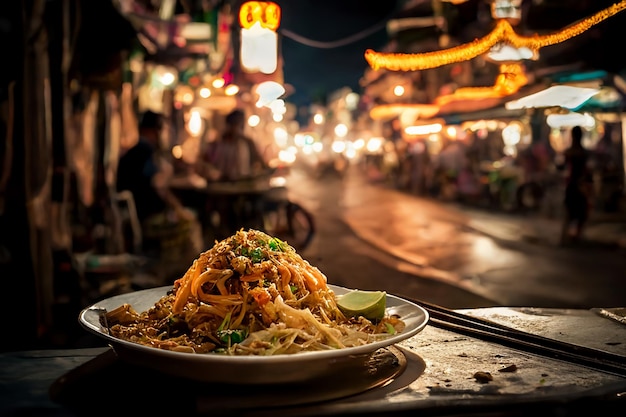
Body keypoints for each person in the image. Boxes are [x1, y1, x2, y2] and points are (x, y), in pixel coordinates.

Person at [116, 110, 197, 256]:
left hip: (136, 211)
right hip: (147, 214)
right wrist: (178, 209)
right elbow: (158, 185)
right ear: (154, 130)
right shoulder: (144, 150)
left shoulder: (135, 149)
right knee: (189, 222)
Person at [201, 109, 269, 238]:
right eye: (235, 124)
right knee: (223, 215)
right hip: (222, 188)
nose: (237, 127)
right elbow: (204, 162)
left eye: (239, 124)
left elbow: (260, 162)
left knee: (252, 211)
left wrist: (263, 171)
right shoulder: (217, 143)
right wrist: (211, 172)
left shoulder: (247, 142)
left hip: (243, 187)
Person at [558, 125, 592, 245]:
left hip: (572, 185)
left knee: (570, 212)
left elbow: (562, 167)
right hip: (580, 185)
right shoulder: (584, 152)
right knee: (580, 213)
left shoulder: (570, 152)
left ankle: (567, 237)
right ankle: (576, 236)